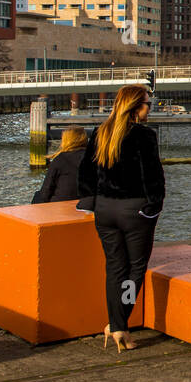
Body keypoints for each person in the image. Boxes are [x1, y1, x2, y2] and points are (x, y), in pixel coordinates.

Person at [76, 85, 164, 352]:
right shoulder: (144, 135)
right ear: (136, 106)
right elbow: (153, 175)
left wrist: (92, 201)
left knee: (115, 268)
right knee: (135, 269)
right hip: (134, 210)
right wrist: (154, 205)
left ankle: (116, 325)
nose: (150, 107)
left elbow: (86, 173)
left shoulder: (100, 132)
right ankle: (118, 324)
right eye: (147, 103)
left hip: (104, 210)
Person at [33, 126, 88, 203]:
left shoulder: (61, 159)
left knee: (38, 195)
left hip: (61, 204)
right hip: (86, 203)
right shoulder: (94, 157)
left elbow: (47, 189)